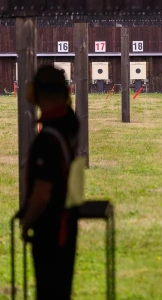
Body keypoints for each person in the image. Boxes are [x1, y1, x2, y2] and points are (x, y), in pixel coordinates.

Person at [21, 65, 80, 300]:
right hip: (66, 223)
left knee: (49, 291)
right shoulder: (68, 123)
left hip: (51, 228)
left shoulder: (47, 139)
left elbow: (42, 194)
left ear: (36, 94)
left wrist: (27, 220)